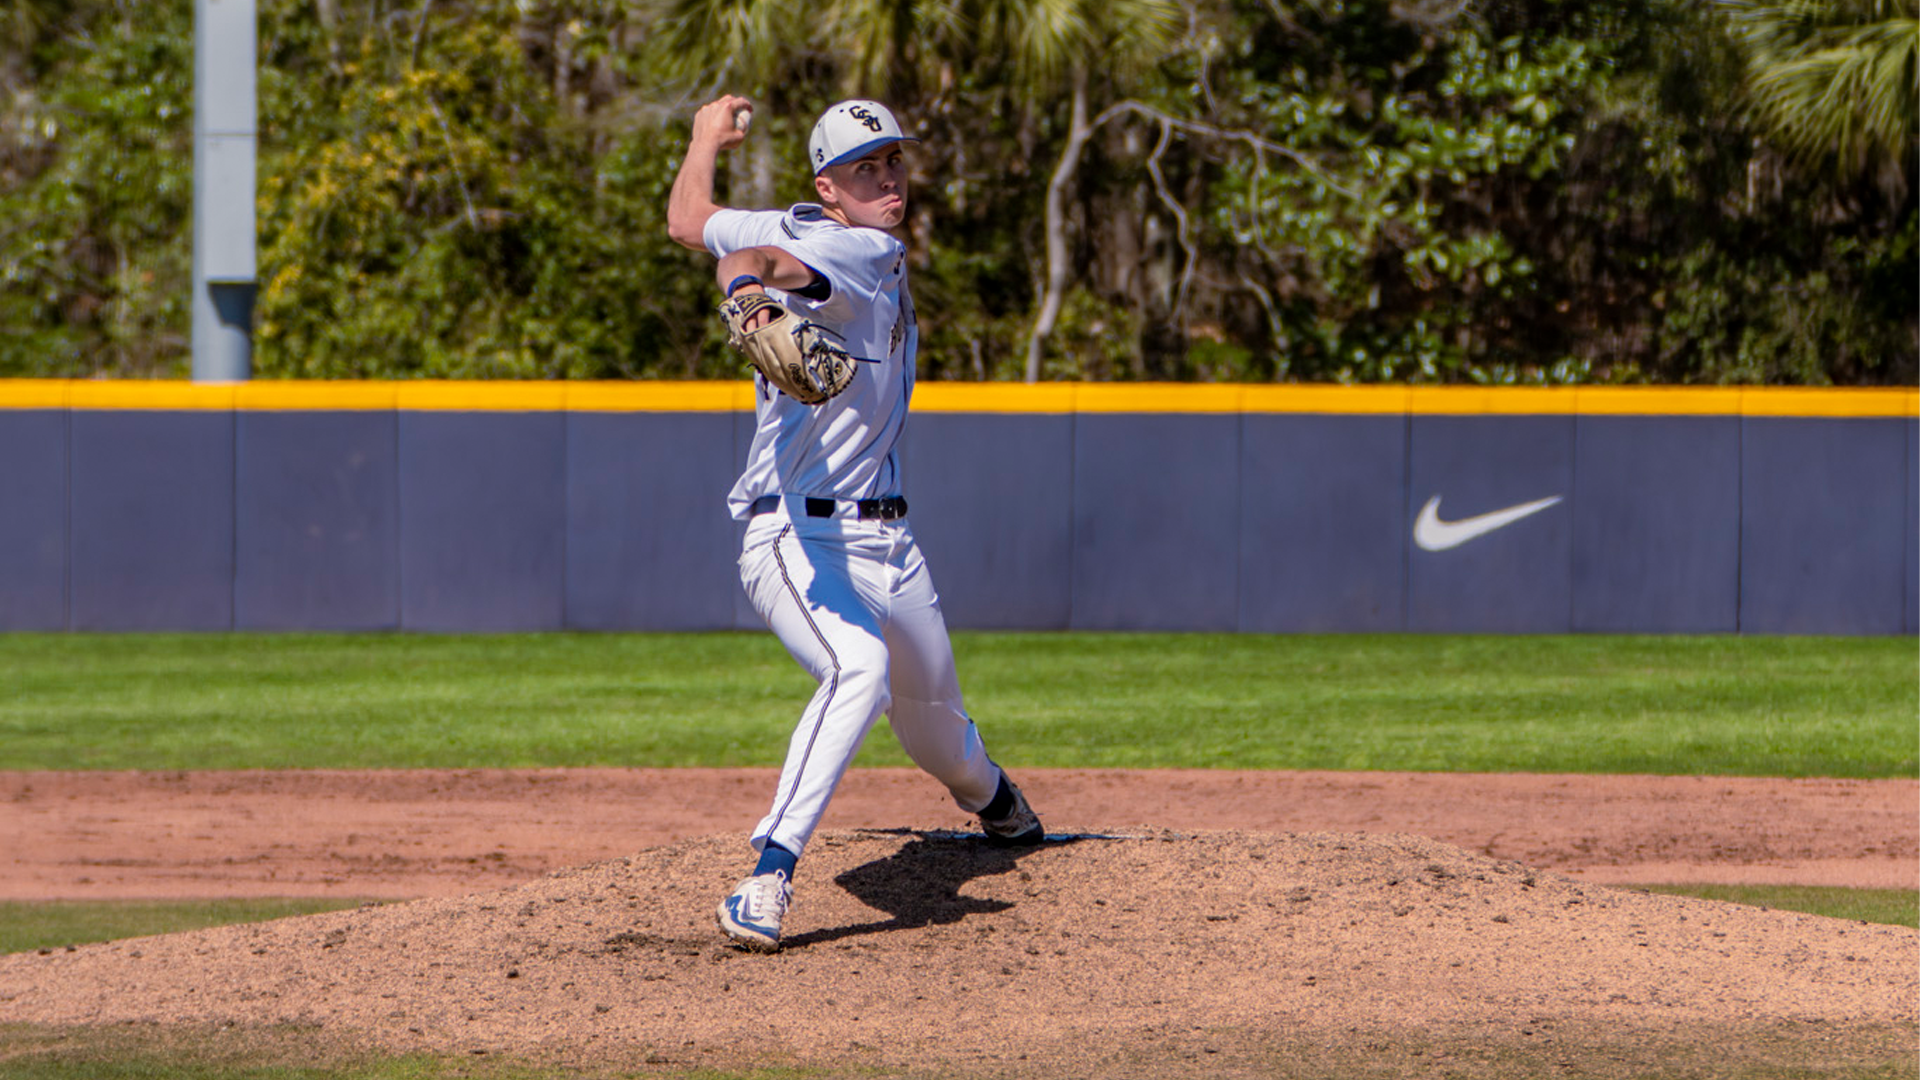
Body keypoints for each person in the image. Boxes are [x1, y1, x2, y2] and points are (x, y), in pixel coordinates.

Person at [666, 95, 1045, 953]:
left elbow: (693, 224)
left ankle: (995, 803)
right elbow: (751, 259)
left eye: (894, 161)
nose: (888, 179)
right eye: (864, 168)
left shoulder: (803, 225)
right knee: (858, 668)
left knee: (939, 731)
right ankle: (767, 875)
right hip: (795, 537)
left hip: (888, 544)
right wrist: (752, 294)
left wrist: (704, 140)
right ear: (828, 189)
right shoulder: (857, 247)